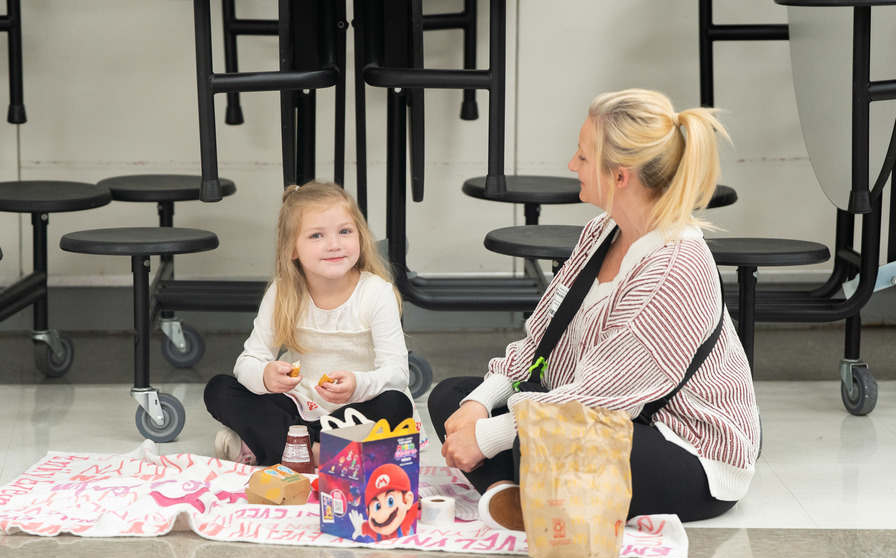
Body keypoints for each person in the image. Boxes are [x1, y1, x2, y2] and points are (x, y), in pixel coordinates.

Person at [428, 89, 760, 527]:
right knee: (452, 397)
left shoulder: (675, 268)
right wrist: (478, 406)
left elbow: (599, 402)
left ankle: (529, 487)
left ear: (620, 176)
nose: (572, 165)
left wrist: (487, 437)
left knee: (543, 437)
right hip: (593, 409)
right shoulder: (604, 230)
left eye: (582, 157)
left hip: (683, 448)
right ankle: (510, 496)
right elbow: (541, 340)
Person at [205, 181, 414, 466]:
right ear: (292, 249)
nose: (334, 244)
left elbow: (398, 373)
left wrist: (357, 385)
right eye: (316, 235)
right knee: (220, 389)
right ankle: (322, 454)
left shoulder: (376, 292)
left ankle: (279, 445)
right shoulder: (282, 292)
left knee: (395, 403)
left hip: (355, 407)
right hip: (299, 405)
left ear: (360, 236)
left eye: (345, 231)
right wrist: (266, 375)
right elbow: (248, 361)